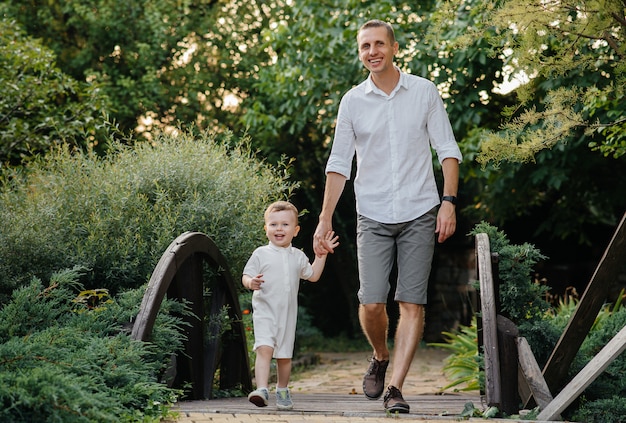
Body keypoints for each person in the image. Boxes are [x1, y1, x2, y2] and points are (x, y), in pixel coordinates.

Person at [313, 19, 462, 414]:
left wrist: (448, 201)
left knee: (411, 302)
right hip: (373, 212)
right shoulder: (352, 101)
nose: (372, 51)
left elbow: (447, 149)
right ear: (360, 52)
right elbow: (339, 163)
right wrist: (325, 217)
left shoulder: (424, 92)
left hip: (419, 209)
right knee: (373, 302)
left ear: (395, 48)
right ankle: (380, 355)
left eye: (379, 44)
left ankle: (395, 387)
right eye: (365, 46)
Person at [244, 200, 339, 410]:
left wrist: (320, 255)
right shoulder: (260, 253)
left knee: (284, 356)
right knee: (264, 348)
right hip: (265, 312)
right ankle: (261, 389)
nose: (279, 228)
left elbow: (312, 275)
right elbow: (246, 275)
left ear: (295, 231)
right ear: (265, 228)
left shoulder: (298, 256)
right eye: (274, 224)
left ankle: (282, 389)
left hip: (287, 315)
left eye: (285, 225)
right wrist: (251, 282)